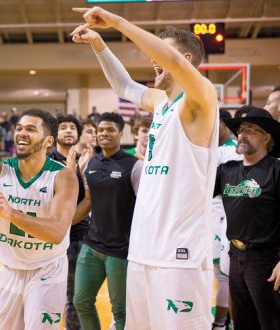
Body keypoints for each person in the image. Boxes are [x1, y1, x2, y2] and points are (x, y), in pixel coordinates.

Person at [72, 7, 218, 329]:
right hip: (143, 250)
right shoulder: (160, 101)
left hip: (179, 256)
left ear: (187, 61)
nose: (153, 60)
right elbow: (124, 86)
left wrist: (117, 22)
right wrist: (99, 43)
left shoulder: (202, 98)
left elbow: (175, 62)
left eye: (161, 51)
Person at [0, 109, 79, 329]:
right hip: (9, 270)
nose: (21, 133)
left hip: (46, 270)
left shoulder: (63, 176)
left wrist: (10, 213)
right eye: (18, 128)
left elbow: (57, 232)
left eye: (30, 129)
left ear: (49, 140)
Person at [72, 112, 142, 330]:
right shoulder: (91, 163)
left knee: (120, 311)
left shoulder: (135, 166)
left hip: (120, 250)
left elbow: (145, 208)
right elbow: (89, 201)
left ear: (121, 134)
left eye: (110, 129)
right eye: (100, 130)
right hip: (92, 245)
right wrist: (64, 223)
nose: (104, 133)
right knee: (81, 302)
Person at [214, 106, 280, 330]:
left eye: (251, 129)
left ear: (266, 137)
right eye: (241, 129)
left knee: (271, 322)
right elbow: (193, 187)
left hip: (267, 260)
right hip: (235, 255)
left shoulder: (276, 169)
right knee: (242, 322)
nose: (242, 134)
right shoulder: (226, 170)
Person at [49, 114, 87, 330]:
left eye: (72, 127)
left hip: (83, 236)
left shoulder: (87, 161)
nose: (68, 130)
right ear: (55, 134)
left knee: (77, 296)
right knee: (56, 294)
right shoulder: (46, 163)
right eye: (63, 127)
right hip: (55, 239)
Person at [211, 109, 243, 330]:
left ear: (222, 124)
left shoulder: (229, 151)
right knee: (220, 274)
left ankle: (220, 323)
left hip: (220, 217)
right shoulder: (218, 149)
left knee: (221, 274)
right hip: (212, 215)